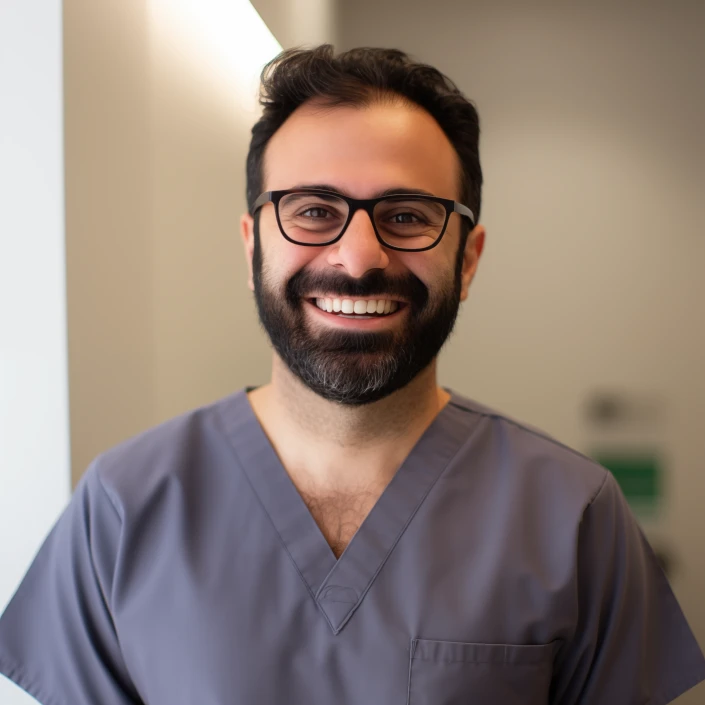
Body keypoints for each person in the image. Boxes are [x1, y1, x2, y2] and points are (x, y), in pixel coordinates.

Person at [0, 45, 703, 705]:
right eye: (312, 211)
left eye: (405, 215)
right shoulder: (124, 510)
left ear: (467, 258)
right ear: (252, 247)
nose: (359, 255)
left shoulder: (573, 515)